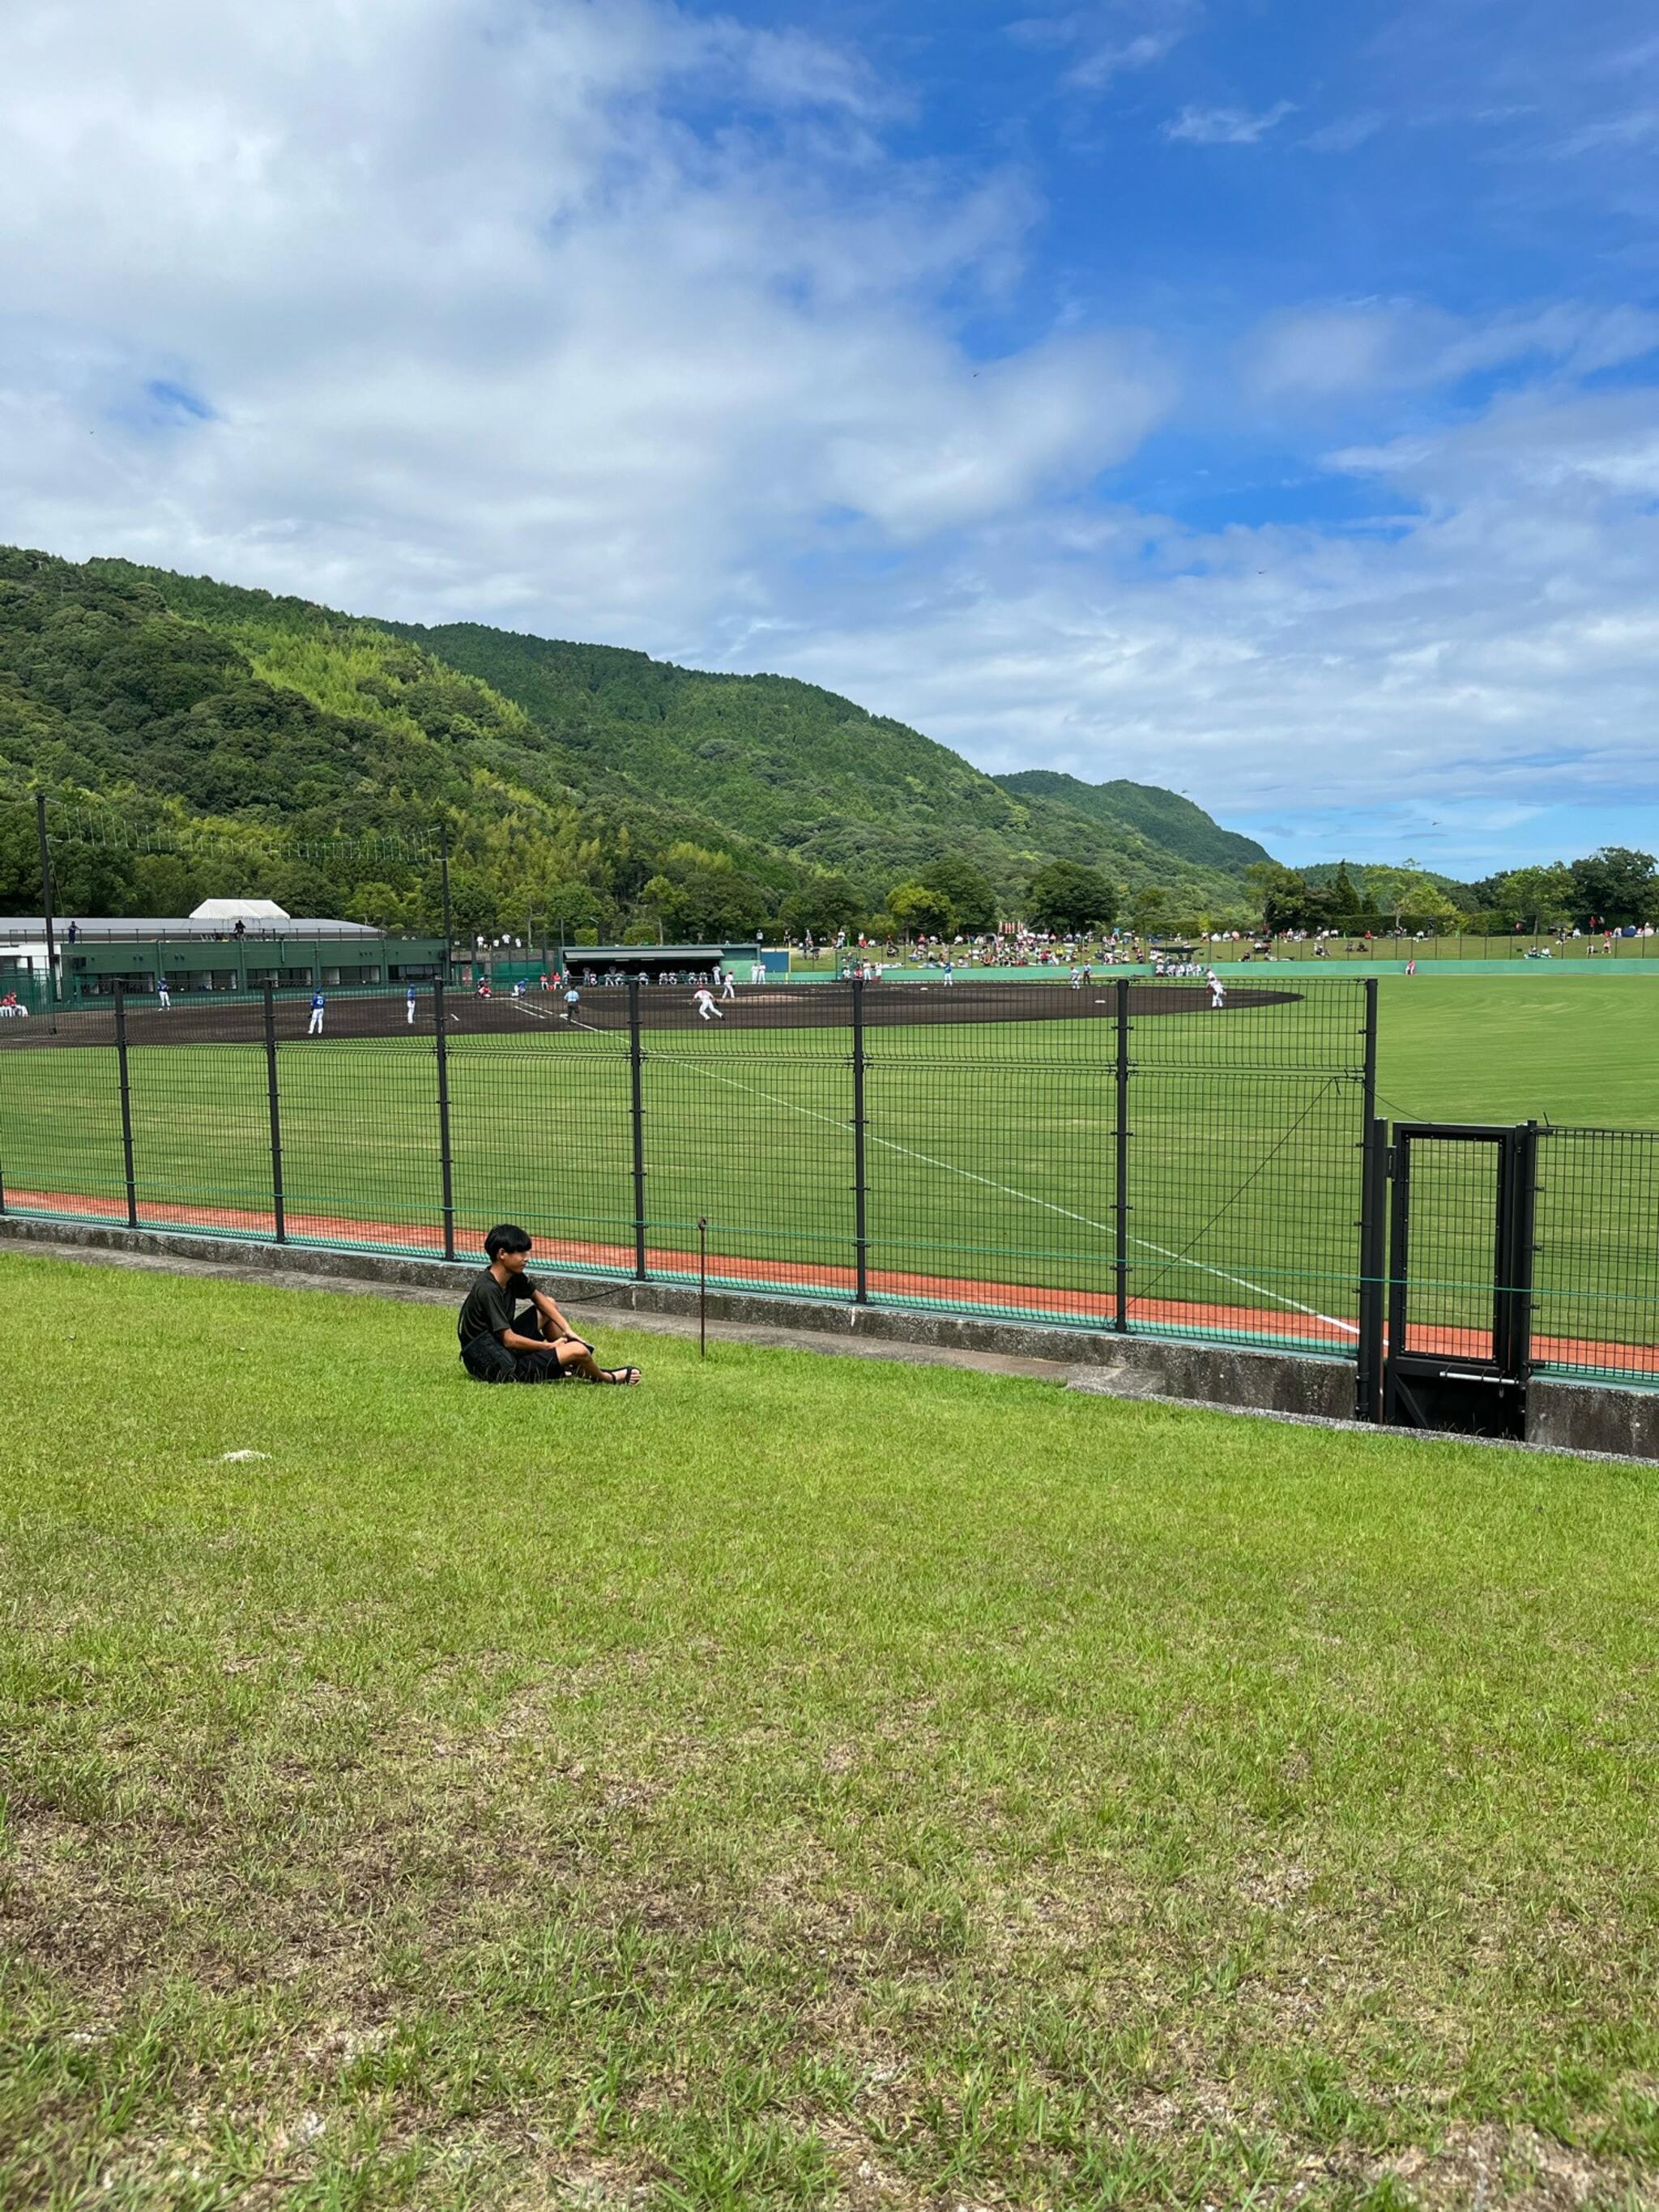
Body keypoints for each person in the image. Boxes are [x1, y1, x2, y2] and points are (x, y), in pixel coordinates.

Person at [458, 1225, 641, 1384]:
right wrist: (549, 1347)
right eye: (521, 1253)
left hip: (500, 1348)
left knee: (550, 1305)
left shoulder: (511, 1277)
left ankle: (566, 1361)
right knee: (580, 1350)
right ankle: (607, 1378)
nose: (526, 1258)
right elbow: (509, 1339)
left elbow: (540, 1299)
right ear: (502, 1254)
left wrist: (567, 1329)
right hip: (495, 1364)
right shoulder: (488, 1289)